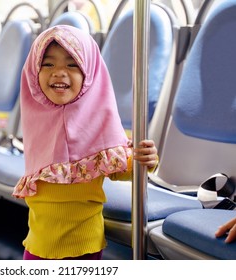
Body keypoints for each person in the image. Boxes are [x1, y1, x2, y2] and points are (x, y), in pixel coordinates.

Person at [12, 25, 158, 260]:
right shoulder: (37, 120)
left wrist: (147, 159)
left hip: (83, 248)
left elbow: (123, 169)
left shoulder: (99, 124)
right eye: (48, 64)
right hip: (37, 245)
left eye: (72, 65)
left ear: (89, 73)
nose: (59, 72)